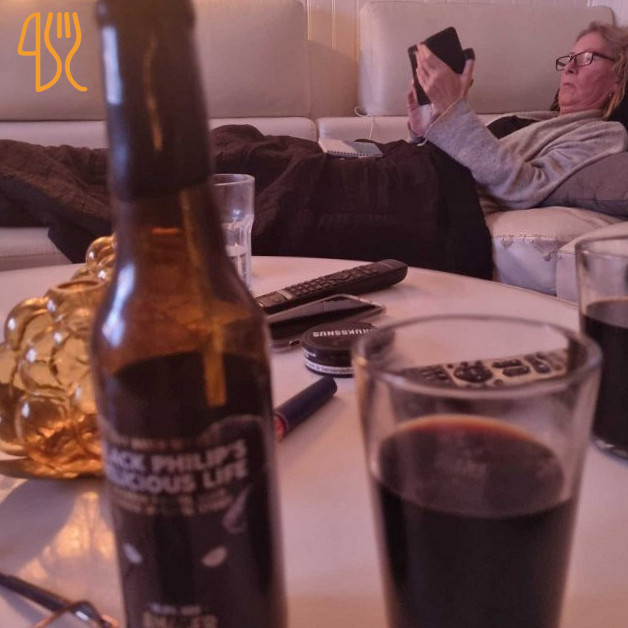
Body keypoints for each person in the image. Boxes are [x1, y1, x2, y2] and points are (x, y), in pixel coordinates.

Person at [407, 21, 628, 214]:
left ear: (617, 78)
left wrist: (455, 114)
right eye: (569, 58)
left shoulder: (604, 133)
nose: (569, 67)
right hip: (411, 171)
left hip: (430, 199)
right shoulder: (536, 119)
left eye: (587, 58)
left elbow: (526, 189)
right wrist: (424, 133)